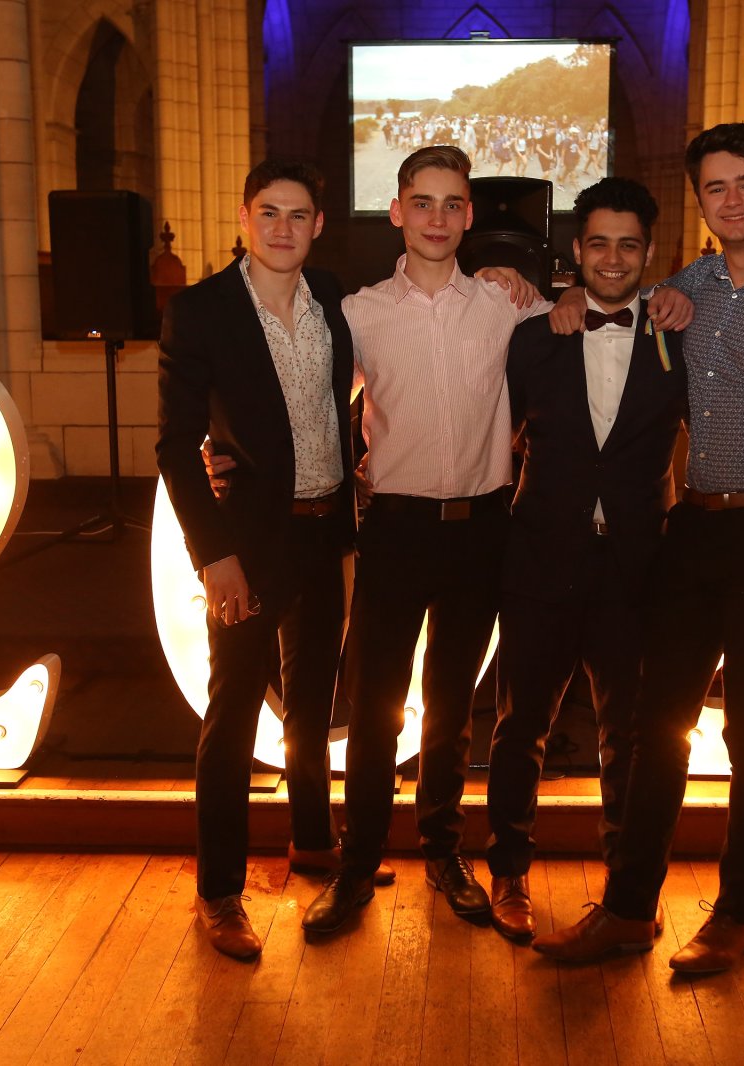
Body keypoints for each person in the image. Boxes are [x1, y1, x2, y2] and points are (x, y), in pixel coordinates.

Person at [533, 123, 744, 972]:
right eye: (716, 187)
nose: (732, 200)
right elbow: (614, 300)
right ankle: (628, 909)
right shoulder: (686, 290)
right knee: (657, 726)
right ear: (700, 200)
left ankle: (738, 915)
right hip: (691, 529)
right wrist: (567, 299)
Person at [302, 145, 551, 935]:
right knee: (375, 706)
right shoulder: (361, 314)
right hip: (397, 530)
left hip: (482, 529)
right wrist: (229, 451)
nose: (437, 218)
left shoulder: (508, 305)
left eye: (452, 204)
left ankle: (443, 851)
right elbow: (308, 404)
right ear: (397, 212)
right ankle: (356, 865)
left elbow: (584, 343)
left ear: (469, 215)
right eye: (423, 202)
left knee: (452, 707)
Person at [156, 160, 394, 961]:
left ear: (318, 224)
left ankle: (313, 841)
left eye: (298, 215)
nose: (283, 228)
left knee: (314, 703)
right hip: (248, 545)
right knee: (230, 717)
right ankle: (220, 890)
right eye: (269, 212)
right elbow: (175, 447)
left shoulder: (332, 298)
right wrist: (213, 555)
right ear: (244, 217)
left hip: (327, 535)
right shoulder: (200, 311)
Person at [484, 178, 685, 940]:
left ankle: (628, 891)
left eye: (628, 244)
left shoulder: (679, 335)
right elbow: (486, 432)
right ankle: (508, 872)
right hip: (541, 559)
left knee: (630, 736)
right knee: (519, 727)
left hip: (639, 566)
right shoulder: (535, 337)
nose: (612, 258)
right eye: (598, 243)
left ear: (649, 252)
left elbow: (725, 413)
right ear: (576, 249)